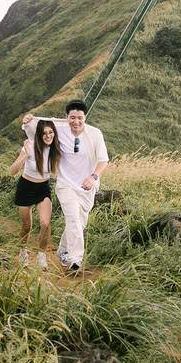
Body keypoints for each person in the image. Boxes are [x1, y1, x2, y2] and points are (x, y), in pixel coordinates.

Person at [21, 99, 109, 273]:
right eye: (72, 118)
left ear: (85, 117)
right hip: (65, 185)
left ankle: (63, 251)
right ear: (66, 117)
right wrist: (29, 121)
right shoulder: (59, 130)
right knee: (73, 219)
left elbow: (103, 160)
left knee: (79, 223)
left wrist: (93, 177)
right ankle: (76, 260)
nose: (76, 122)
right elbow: (39, 131)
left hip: (87, 187)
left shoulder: (95, 134)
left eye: (80, 118)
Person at [10, 119, 60, 268]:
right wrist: (24, 156)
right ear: (39, 134)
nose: (48, 135)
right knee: (26, 226)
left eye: (51, 132)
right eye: (44, 133)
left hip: (43, 188)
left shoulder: (55, 149)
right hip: (25, 187)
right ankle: (23, 252)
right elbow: (12, 171)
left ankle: (41, 255)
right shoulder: (30, 146)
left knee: (45, 223)